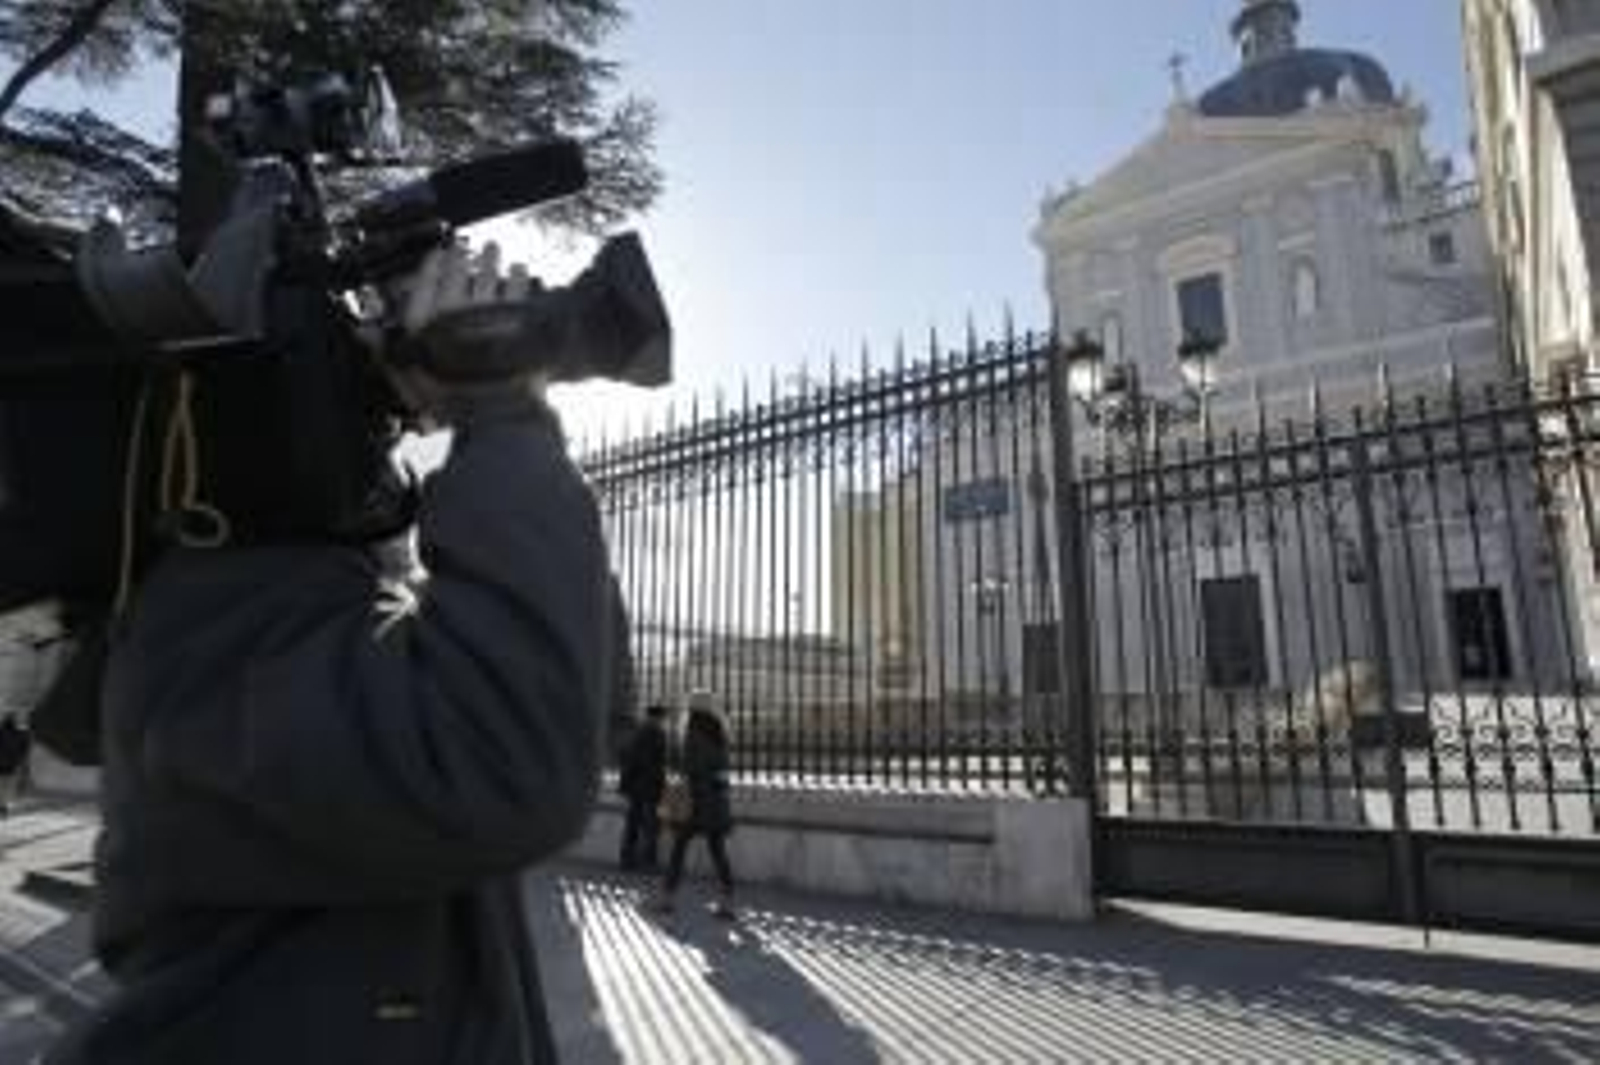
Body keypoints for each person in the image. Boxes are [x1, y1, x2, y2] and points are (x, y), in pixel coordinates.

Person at [43, 240, 625, 1065]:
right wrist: (498, 411)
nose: (389, 424)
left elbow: (583, 704)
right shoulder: (216, 628)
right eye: (357, 373)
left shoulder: (286, 609)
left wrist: (513, 426)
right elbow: (509, 756)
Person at [655, 695, 736, 918]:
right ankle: (728, 901)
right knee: (718, 851)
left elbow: (690, 768)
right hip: (716, 802)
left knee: (678, 850)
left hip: (695, 802)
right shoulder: (720, 734)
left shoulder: (692, 734)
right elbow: (721, 769)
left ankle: (667, 899)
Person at [617, 703, 669, 871]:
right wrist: (660, 780)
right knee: (651, 826)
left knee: (634, 823)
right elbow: (652, 761)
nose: (663, 721)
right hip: (649, 786)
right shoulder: (655, 732)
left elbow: (629, 757)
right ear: (658, 717)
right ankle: (648, 862)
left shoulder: (637, 731)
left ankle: (627, 859)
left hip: (636, 785)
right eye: (662, 718)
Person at [0, 710, 29, 816]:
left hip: (2, 763)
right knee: (7, 786)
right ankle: (3, 806)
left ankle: (3, 806)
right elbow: (24, 747)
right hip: (11, 764)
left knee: (3, 785)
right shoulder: (19, 734)